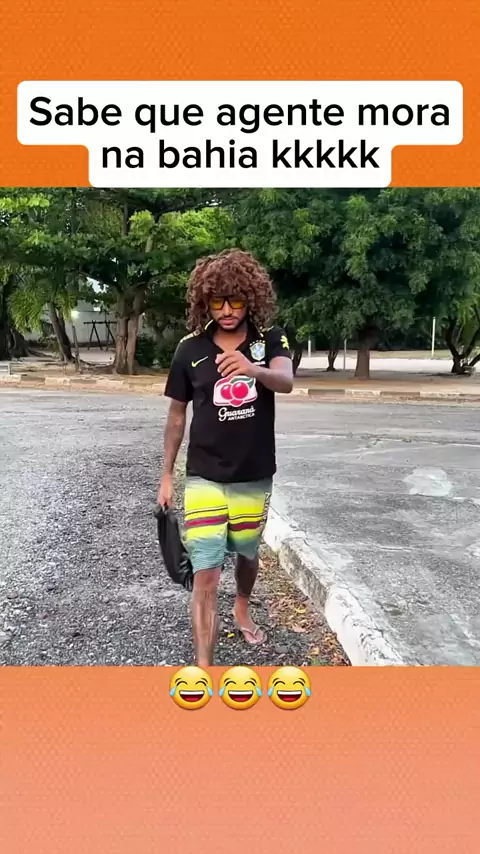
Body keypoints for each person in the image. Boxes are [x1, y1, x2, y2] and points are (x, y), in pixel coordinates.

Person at [157, 248, 293, 666]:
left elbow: (285, 380)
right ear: (206, 302)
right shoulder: (189, 349)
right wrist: (167, 475)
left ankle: (242, 606)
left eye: (236, 301)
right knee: (206, 571)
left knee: (247, 552)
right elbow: (176, 415)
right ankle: (204, 668)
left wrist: (253, 369)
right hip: (204, 475)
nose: (228, 310)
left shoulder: (270, 338)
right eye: (218, 302)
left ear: (250, 298)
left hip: (253, 473)